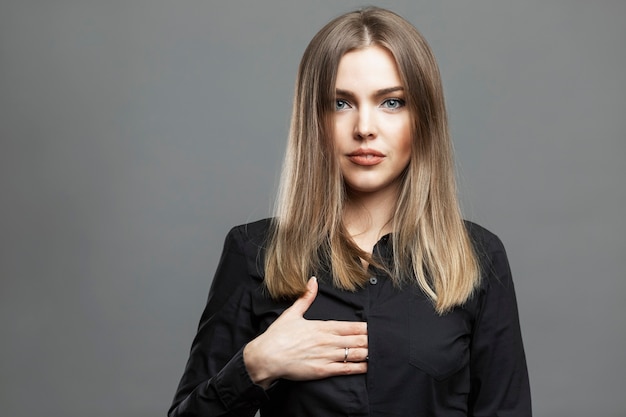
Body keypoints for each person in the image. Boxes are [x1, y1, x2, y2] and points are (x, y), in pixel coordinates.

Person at [168, 6, 531, 417]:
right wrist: (255, 366)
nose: (364, 127)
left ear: (423, 119)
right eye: (341, 103)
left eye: (391, 102)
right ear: (314, 120)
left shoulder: (478, 258)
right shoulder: (254, 252)